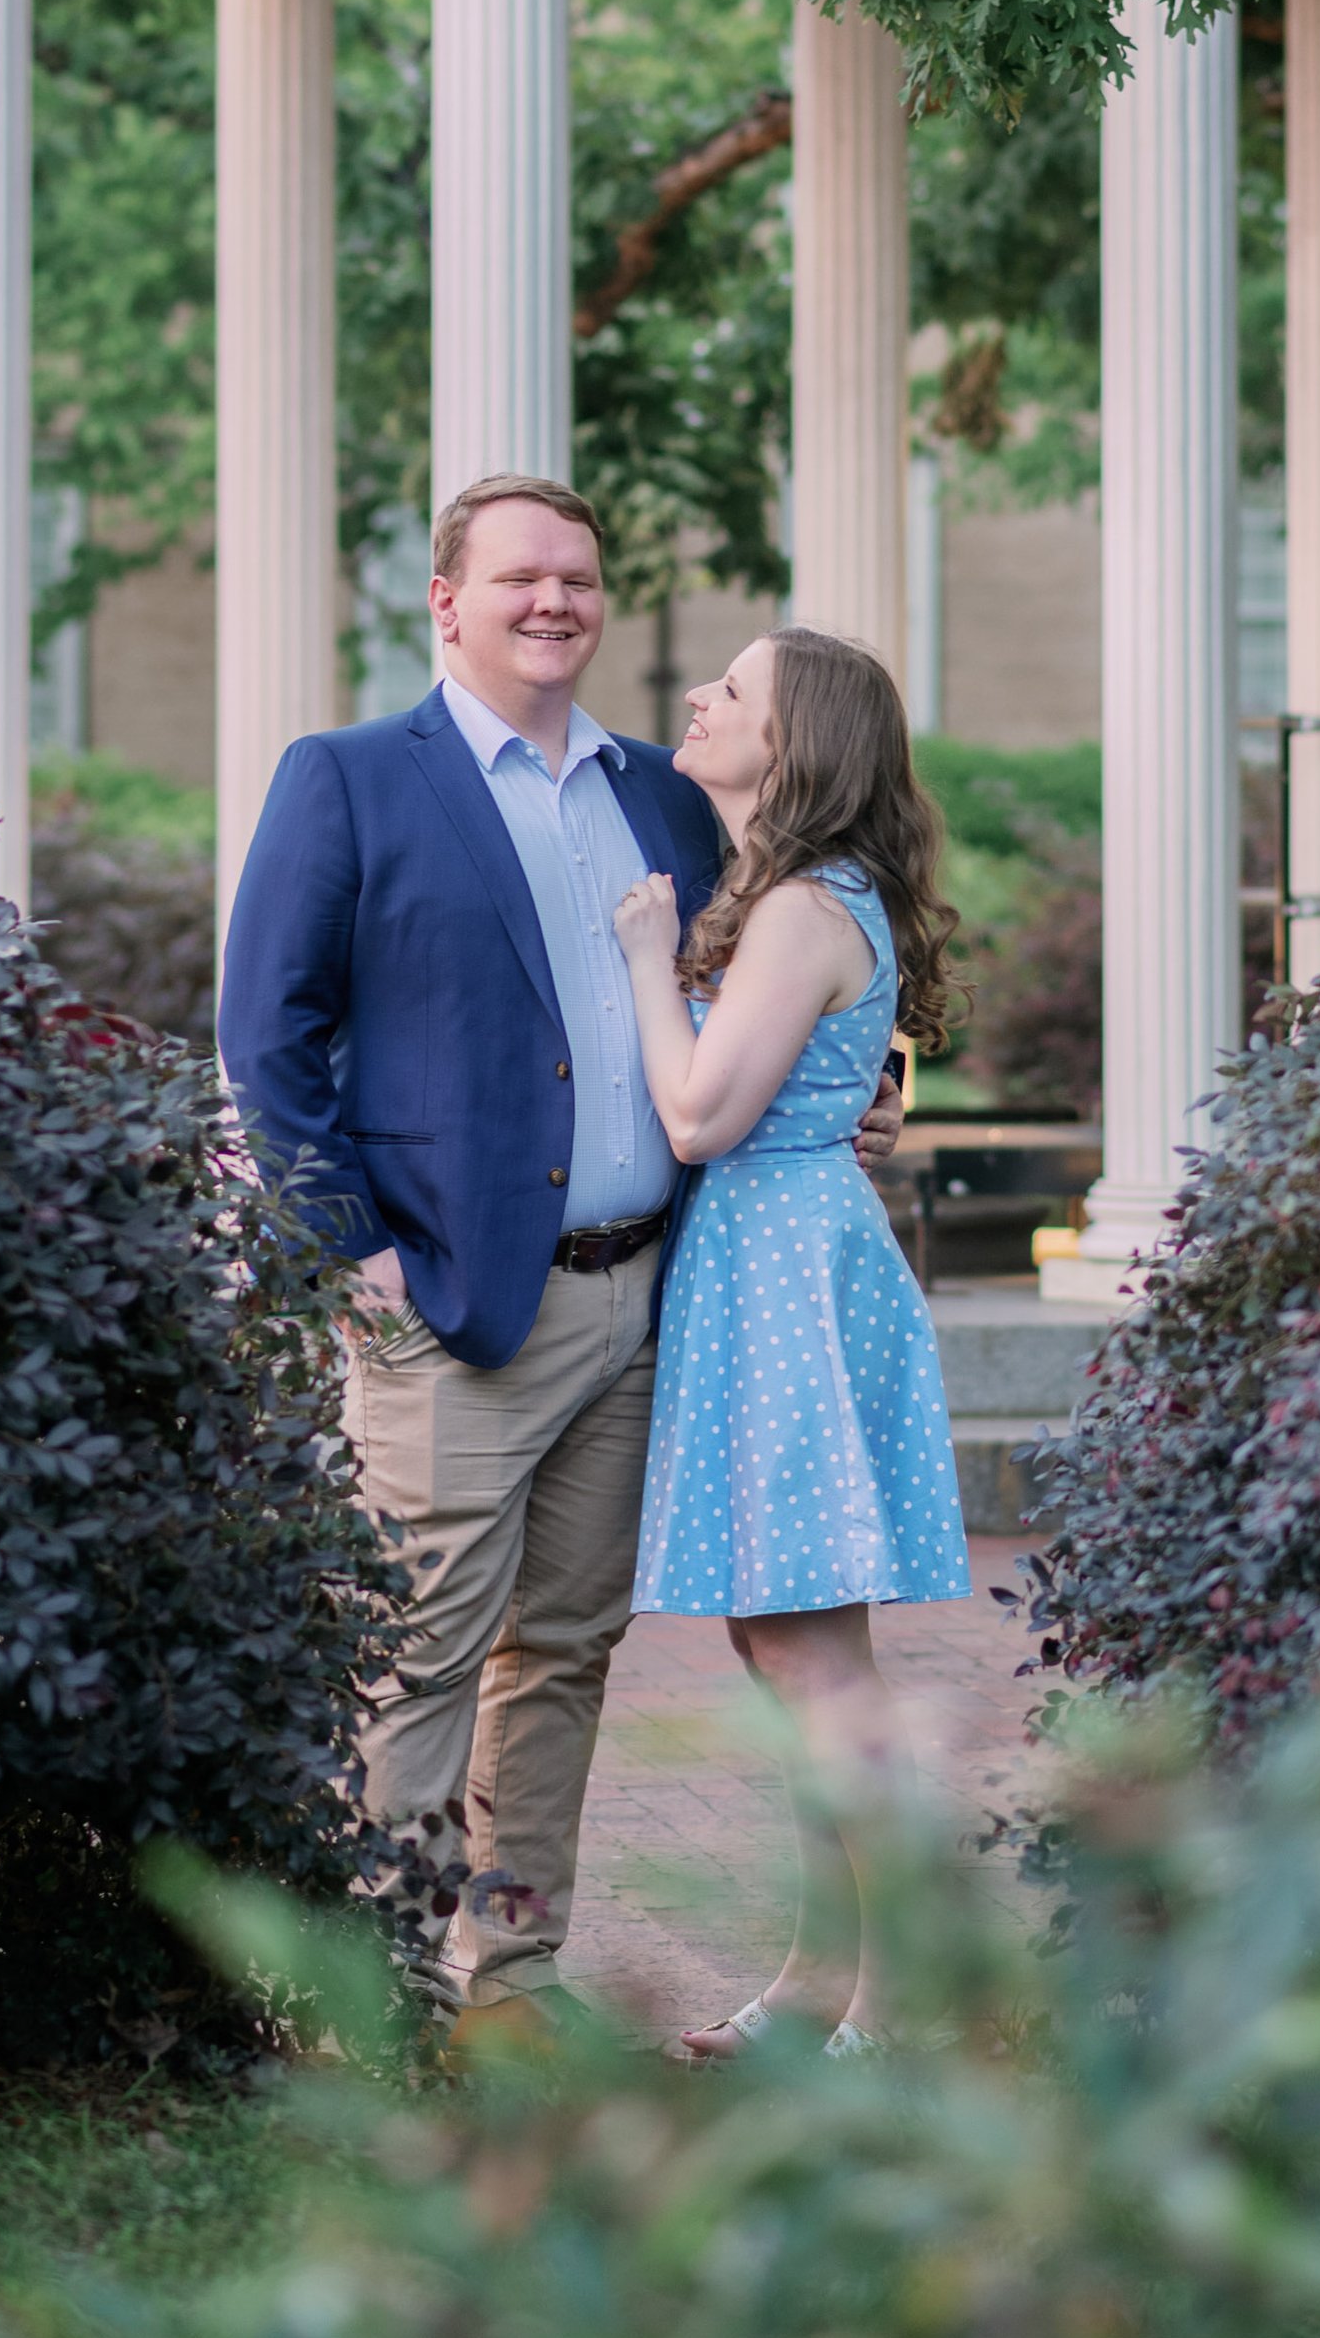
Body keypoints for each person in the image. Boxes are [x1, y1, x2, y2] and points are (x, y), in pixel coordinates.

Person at [218, 475, 901, 2044]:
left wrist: (845, 1111)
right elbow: (270, 1036)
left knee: (565, 1654)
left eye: (580, 577)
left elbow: (780, 991)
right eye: (521, 574)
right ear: (444, 601)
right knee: (424, 1649)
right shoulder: (347, 779)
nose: (556, 601)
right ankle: (371, 1999)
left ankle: (504, 1973)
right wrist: (352, 1252)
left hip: (647, 1292)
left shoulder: (664, 792)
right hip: (448, 1303)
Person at [612, 624, 970, 2060]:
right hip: (772, 1252)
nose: (700, 696)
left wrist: (647, 954)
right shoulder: (809, 897)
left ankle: (900, 1996)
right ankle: (823, 1978)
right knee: (780, 1653)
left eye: (735, 689)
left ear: (796, 742)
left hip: (783, 1264)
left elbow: (699, 1113)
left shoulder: (806, 905)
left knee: (818, 1669)